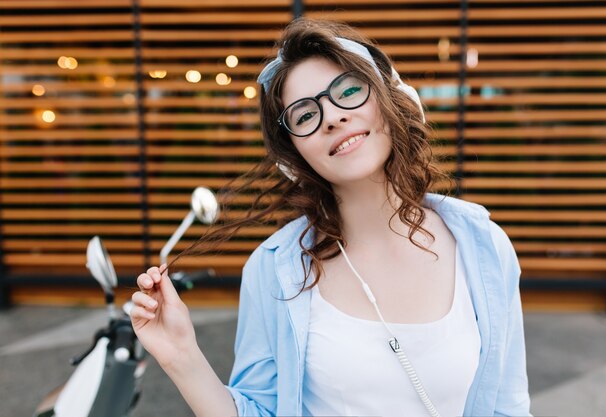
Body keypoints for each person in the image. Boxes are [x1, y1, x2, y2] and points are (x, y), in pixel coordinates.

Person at [130, 18, 532, 417]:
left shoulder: (483, 246)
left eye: (350, 91)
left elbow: (507, 408)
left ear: (391, 100)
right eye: (305, 116)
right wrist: (182, 358)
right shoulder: (273, 270)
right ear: (294, 156)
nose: (333, 117)